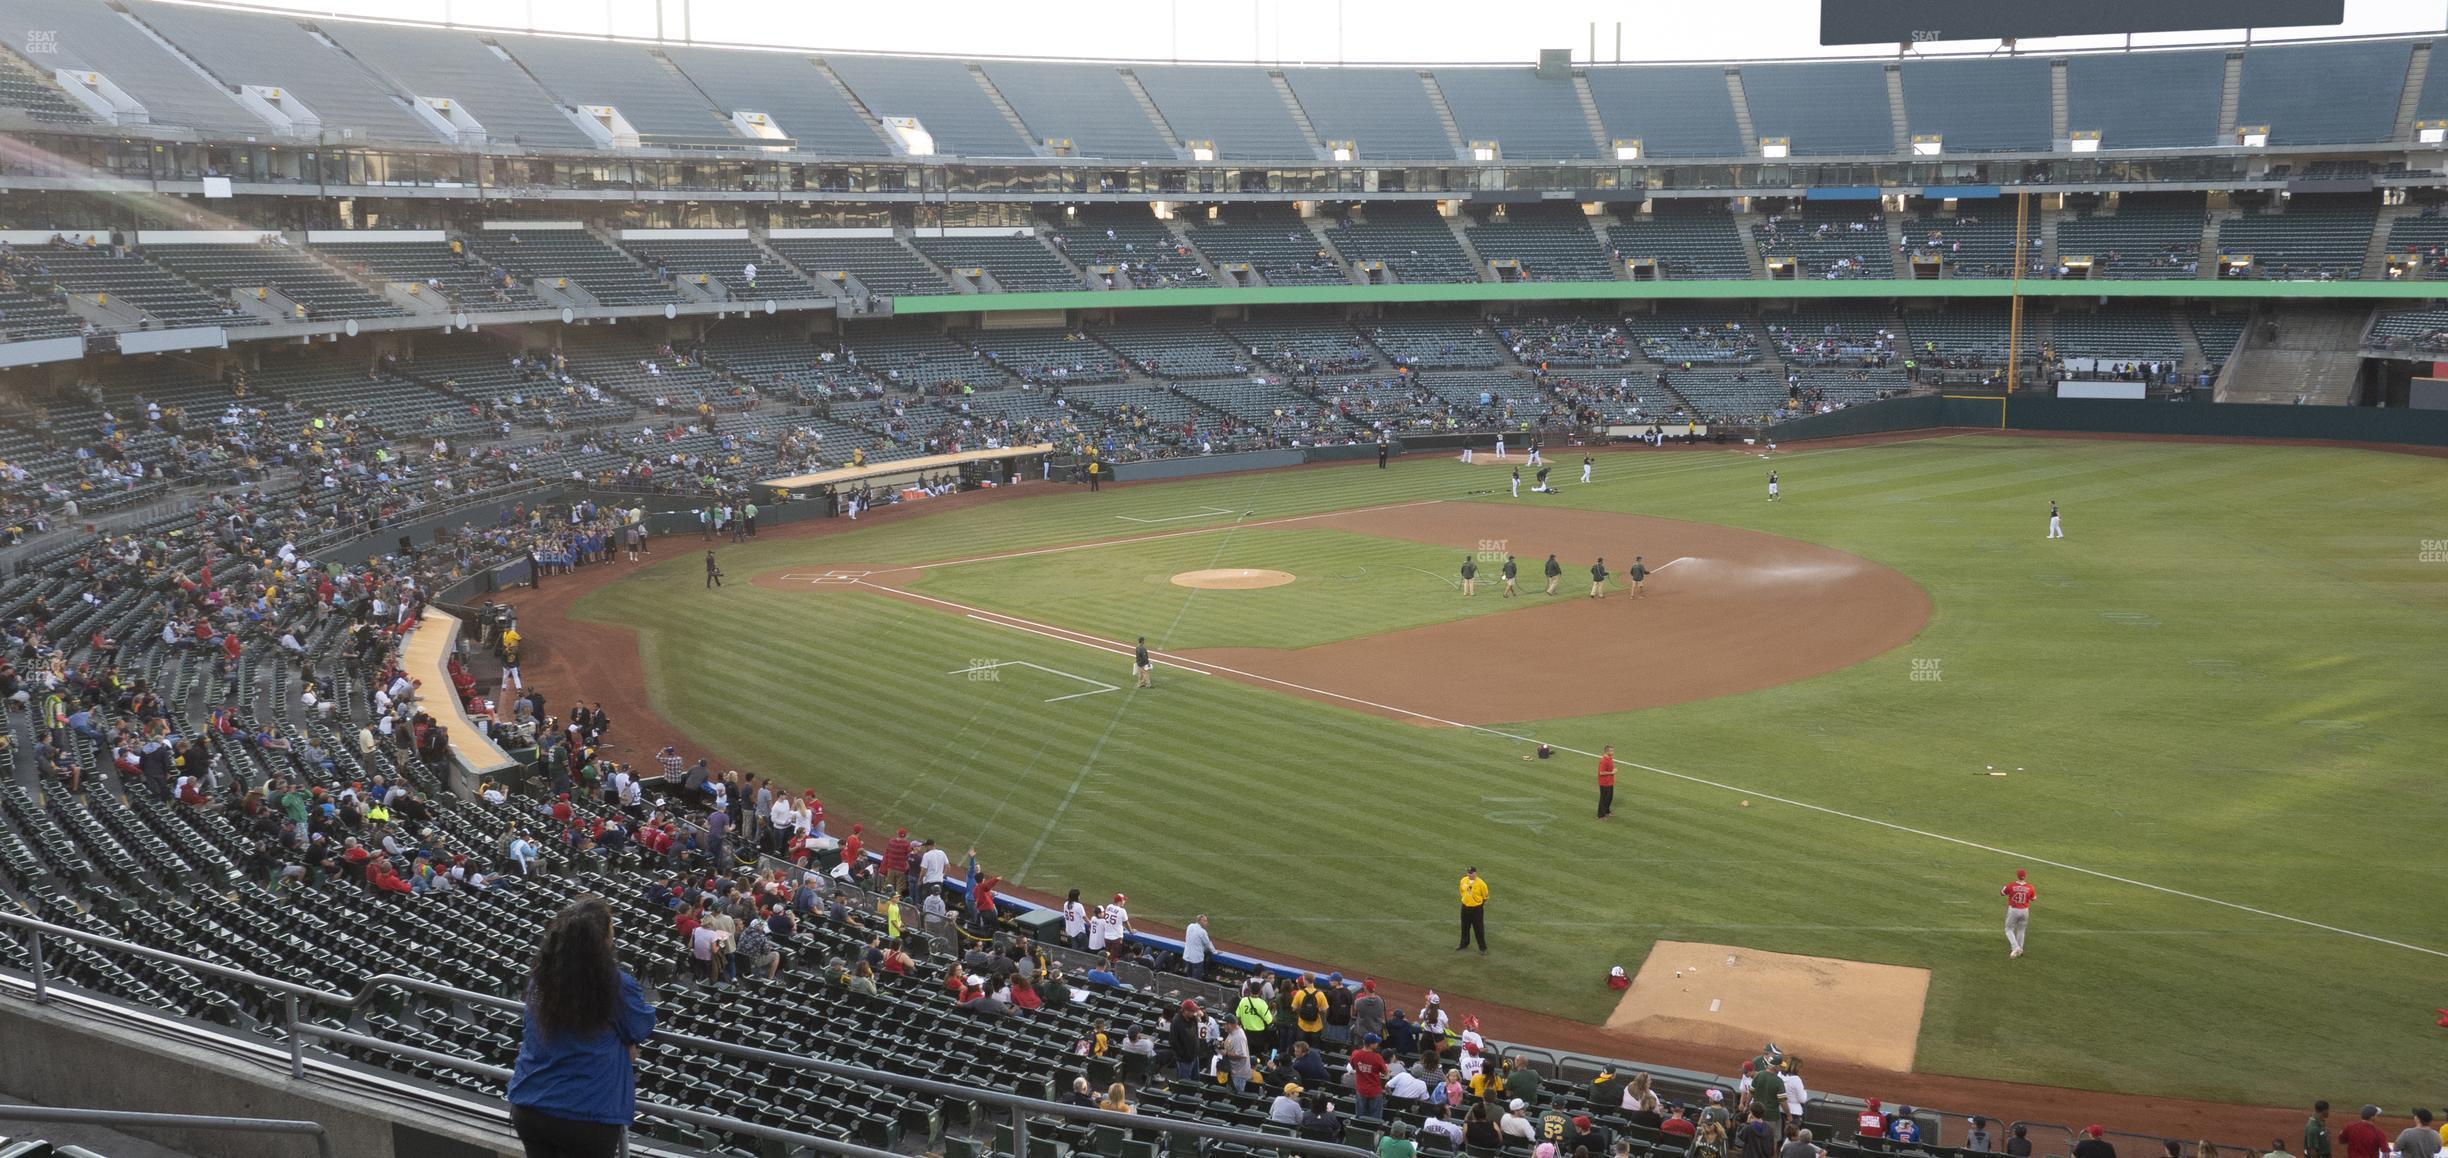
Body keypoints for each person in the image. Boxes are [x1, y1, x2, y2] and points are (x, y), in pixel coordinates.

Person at [507, 898, 657, 1158]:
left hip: (530, 1105)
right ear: (603, 942)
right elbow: (640, 1025)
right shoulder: (616, 985)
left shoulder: (539, 979)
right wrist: (625, 1043)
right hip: (586, 1114)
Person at [2001, 868, 2036, 958]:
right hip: (2025, 911)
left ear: (2017, 875)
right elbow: (2033, 898)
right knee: (2021, 930)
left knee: (2008, 929)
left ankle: (2015, 947)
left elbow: (2002, 893)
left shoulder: (2011, 885)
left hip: (2014, 910)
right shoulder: (2030, 887)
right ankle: (2020, 949)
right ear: (2025, 876)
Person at [1456, 866, 1488, 953]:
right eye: (1468, 873)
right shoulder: (1463, 880)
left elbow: (1485, 897)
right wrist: (1466, 900)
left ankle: (1482, 948)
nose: (1470, 875)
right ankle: (1464, 943)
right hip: (1465, 907)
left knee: (1479, 928)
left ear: (1475, 873)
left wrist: (1477, 903)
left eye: (1471, 873)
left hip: (1476, 909)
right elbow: (1462, 891)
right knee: (1464, 927)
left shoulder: (1481, 884)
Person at [1182, 914, 1214, 980]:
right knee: (1196, 981)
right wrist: (1215, 951)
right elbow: (1208, 945)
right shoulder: (1202, 932)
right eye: (1205, 921)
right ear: (1200, 921)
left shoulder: (1190, 926)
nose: (1207, 923)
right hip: (1197, 960)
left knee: (1188, 979)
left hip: (1186, 957)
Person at [1596, 746, 1616, 820]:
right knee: (1603, 799)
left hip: (1610, 782)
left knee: (1609, 798)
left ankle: (1607, 811)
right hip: (1604, 783)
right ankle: (1600, 815)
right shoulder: (1604, 760)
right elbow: (1601, 772)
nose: (1613, 752)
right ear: (1607, 751)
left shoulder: (1610, 758)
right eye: (1611, 751)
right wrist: (1612, 772)